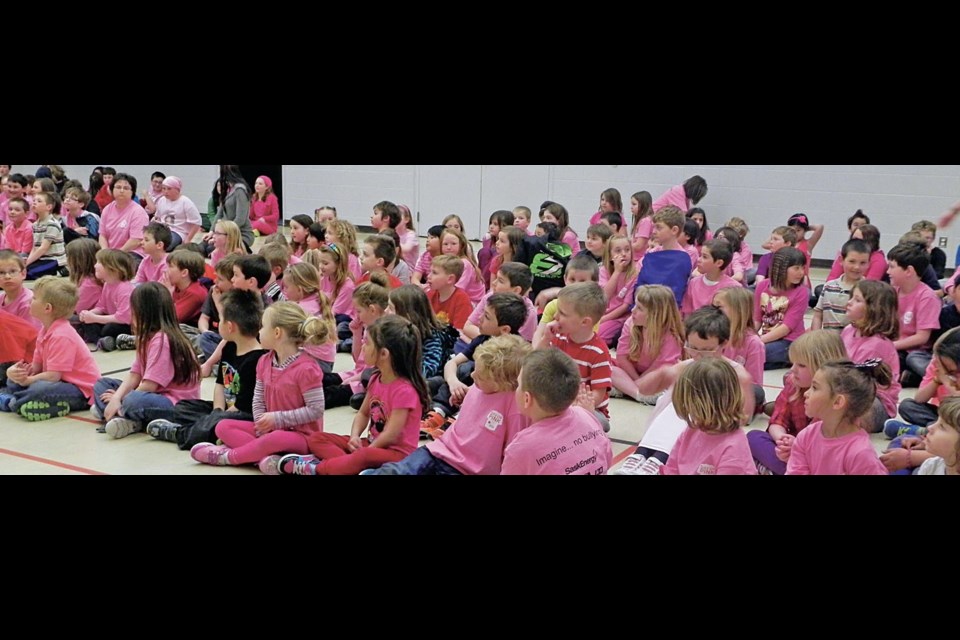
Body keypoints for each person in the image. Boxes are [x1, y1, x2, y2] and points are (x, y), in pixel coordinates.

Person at [267, 315, 429, 475]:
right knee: (317, 438)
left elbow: (391, 435)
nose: (363, 347)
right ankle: (347, 467)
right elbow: (363, 413)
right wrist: (354, 437)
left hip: (396, 455)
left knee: (363, 455)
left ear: (384, 354)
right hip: (370, 446)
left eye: (367, 343)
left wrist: (365, 451)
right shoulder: (375, 377)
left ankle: (316, 469)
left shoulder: (405, 390)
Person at [190, 302, 326, 469]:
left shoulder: (307, 368)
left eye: (262, 327)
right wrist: (260, 422)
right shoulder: (264, 361)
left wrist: (277, 419)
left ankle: (228, 456)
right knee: (223, 426)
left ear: (277, 333)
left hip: (302, 436)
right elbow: (258, 398)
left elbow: (316, 409)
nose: (258, 331)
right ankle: (269, 460)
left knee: (274, 438)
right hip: (269, 430)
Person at [373, 334, 532, 475]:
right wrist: (461, 400)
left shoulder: (516, 409)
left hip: (467, 470)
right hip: (439, 451)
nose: (472, 375)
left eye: (480, 376)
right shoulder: (479, 385)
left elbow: (513, 453)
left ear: (501, 384)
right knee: (396, 471)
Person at [92, 283, 202, 439]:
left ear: (143, 312)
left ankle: (123, 416)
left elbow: (150, 385)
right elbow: (134, 375)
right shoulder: (147, 338)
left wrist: (121, 398)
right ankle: (122, 415)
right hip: (152, 395)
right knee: (102, 384)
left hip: (174, 404)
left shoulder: (162, 339)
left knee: (133, 399)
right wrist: (116, 397)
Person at [0, 277, 100, 420]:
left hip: (80, 390)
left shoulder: (62, 335)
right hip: (58, 382)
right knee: (13, 381)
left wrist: (28, 381)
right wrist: (19, 373)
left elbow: (53, 376)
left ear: (47, 308)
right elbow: (36, 367)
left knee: (39, 389)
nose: (29, 301)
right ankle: (25, 402)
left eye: (34, 298)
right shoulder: (45, 330)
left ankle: (13, 402)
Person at [501, 349, 612, 475]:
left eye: (518, 384)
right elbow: (606, 460)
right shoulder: (588, 416)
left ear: (527, 399)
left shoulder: (521, 447)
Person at [785, 360, 890, 475]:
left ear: (838, 402)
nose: (806, 393)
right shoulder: (806, 436)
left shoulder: (860, 453)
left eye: (815, 388)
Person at [661, 359, 757, 475]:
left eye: (687, 402)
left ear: (704, 404)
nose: (685, 406)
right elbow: (672, 468)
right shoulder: (692, 431)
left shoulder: (733, 447)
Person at [840, 280, 902, 433]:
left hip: (875, 402)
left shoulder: (876, 344)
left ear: (873, 309)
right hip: (847, 389)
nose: (849, 302)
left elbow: (855, 383)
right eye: (851, 297)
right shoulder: (849, 330)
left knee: (847, 407)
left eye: (857, 300)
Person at [611, 285, 685, 404]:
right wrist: (637, 381)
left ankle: (625, 389)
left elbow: (661, 366)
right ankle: (639, 395)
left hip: (655, 376)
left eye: (639, 308)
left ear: (655, 314)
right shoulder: (631, 323)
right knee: (609, 369)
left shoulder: (671, 335)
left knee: (672, 376)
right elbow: (622, 357)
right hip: (631, 372)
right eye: (635, 305)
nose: (632, 310)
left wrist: (640, 382)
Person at [754, 247, 809, 369]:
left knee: (758, 352)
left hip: (790, 341)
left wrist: (758, 341)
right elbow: (757, 318)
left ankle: (788, 358)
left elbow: (785, 328)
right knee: (744, 349)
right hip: (768, 338)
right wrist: (749, 337)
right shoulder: (762, 286)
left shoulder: (802, 292)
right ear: (780, 269)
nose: (801, 272)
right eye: (796, 268)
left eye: (803, 268)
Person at [78, 249, 136, 351]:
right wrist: (89, 314)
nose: (95, 265)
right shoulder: (107, 284)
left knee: (110, 328)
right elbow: (102, 307)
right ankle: (103, 341)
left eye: (99, 262)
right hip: (113, 319)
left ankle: (106, 340)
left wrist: (95, 318)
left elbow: (123, 318)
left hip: (127, 325)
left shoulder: (125, 289)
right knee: (86, 322)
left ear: (113, 268)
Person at [99, 172, 149, 267]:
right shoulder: (107, 209)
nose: (121, 191)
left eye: (126, 188)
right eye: (118, 187)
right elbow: (102, 235)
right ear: (111, 190)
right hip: (111, 252)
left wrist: (116, 254)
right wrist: (105, 252)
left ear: (132, 192)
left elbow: (136, 240)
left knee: (117, 269)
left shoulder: (138, 212)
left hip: (132, 253)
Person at [205, 165, 253, 251]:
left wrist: (221, 233)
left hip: (240, 234)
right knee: (203, 245)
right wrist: (212, 231)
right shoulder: (228, 189)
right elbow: (219, 214)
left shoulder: (240, 190)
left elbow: (240, 219)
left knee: (210, 249)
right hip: (223, 232)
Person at [148, 176, 202, 250]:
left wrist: (188, 239)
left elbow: (197, 222)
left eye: (169, 189)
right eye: (164, 188)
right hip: (162, 229)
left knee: (165, 245)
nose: (166, 191)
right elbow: (157, 216)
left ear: (177, 189)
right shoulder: (162, 200)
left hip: (178, 232)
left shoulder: (186, 202)